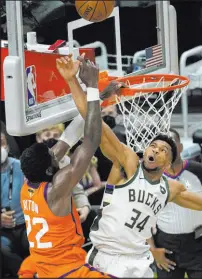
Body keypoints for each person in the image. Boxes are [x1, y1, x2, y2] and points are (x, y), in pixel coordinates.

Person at [57, 55, 202, 278]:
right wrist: (72, 81)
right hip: (107, 256)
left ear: (169, 163)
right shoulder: (128, 162)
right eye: (153, 146)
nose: (155, 150)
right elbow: (93, 121)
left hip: (138, 261)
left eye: (163, 150)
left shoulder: (171, 188)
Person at [19, 55, 112, 278]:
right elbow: (90, 140)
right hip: (66, 271)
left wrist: (99, 96)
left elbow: (67, 139)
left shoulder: (29, 181)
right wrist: (90, 85)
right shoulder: (57, 189)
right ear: (52, 171)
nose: (56, 152)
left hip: (47, 266)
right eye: (53, 157)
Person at [150, 128, 202, 278]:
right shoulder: (150, 177)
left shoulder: (199, 171)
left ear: (180, 147)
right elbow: (141, 215)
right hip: (165, 247)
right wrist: (152, 249)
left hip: (198, 245)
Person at [1, 130, 29, 277]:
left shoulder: (21, 166)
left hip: (26, 225)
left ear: (7, 147)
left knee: (35, 241)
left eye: (1, 143)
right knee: (4, 249)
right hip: (3, 232)